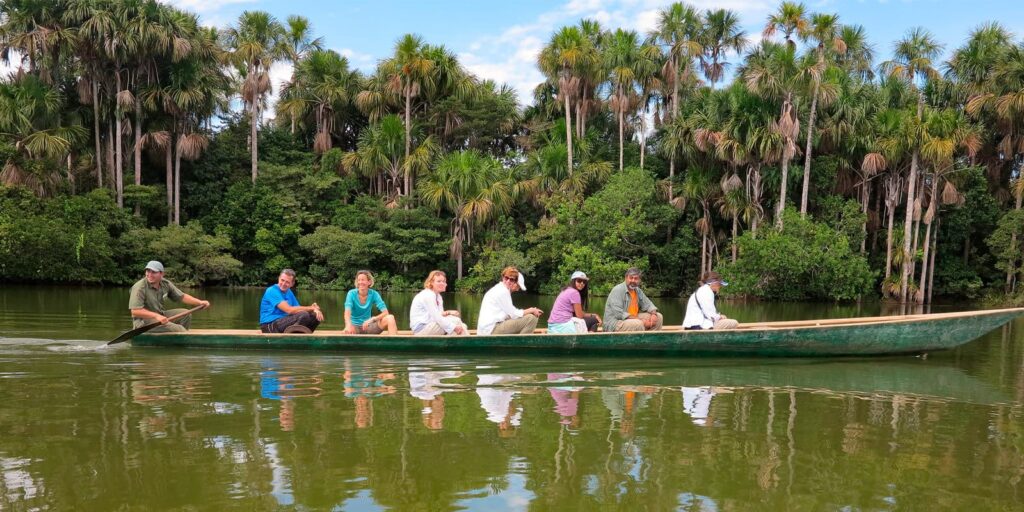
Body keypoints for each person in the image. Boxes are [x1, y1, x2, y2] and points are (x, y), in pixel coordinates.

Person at [129, 260, 210, 332]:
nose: (149, 274)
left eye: (153, 272)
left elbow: (182, 296)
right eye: (148, 271)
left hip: (160, 315)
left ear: (162, 274)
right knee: (178, 329)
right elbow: (135, 311)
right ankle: (180, 333)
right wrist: (157, 316)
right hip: (143, 323)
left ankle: (178, 337)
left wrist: (200, 302)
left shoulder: (165, 284)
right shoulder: (139, 287)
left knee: (186, 314)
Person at [477, 266, 543, 335]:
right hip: (491, 330)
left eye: (511, 280)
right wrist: (531, 310)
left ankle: (517, 341)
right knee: (532, 319)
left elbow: (510, 314)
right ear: (503, 278)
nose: (508, 281)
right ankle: (521, 343)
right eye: (506, 278)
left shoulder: (500, 289)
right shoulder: (503, 291)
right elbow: (513, 314)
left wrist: (529, 311)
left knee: (524, 318)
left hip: (487, 330)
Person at [259, 269, 324, 334]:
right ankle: (293, 336)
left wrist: (314, 310)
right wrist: (311, 308)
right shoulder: (272, 290)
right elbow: (289, 310)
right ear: (279, 278)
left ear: (292, 284)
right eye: (282, 280)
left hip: (283, 323)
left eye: (287, 282)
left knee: (316, 316)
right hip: (269, 326)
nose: (284, 284)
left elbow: (298, 309)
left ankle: (302, 336)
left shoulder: (289, 292)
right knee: (304, 315)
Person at [603, 267, 663, 332]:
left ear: (639, 280)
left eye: (636, 278)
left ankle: (651, 339)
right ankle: (640, 340)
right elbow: (619, 314)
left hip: (632, 319)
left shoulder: (638, 291)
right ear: (626, 278)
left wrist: (654, 314)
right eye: (631, 278)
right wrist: (641, 321)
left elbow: (648, 304)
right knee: (638, 324)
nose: (633, 280)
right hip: (615, 323)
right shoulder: (617, 290)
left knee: (659, 317)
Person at [409, 270, 468, 336]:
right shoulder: (428, 295)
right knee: (456, 323)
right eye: (439, 281)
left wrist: (450, 317)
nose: (442, 283)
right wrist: (454, 327)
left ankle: (454, 344)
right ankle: (469, 343)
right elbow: (437, 317)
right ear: (431, 283)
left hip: (431, 326)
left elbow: (440, 316)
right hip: (421, 330)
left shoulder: (438, 297)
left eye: (444, 281)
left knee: (461, 326)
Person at [343, 270, 398, 335]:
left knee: (390, 317)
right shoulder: (351, 293)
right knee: (346, 331)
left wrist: (372, 319)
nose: (360, 282)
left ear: (369, 282)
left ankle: (393, 343)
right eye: (359, 280)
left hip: (368, 327)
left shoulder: (374, 294)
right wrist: (348, 325)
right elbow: (347, 312)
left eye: (363, 280)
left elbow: (386, 313)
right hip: (354, 328)